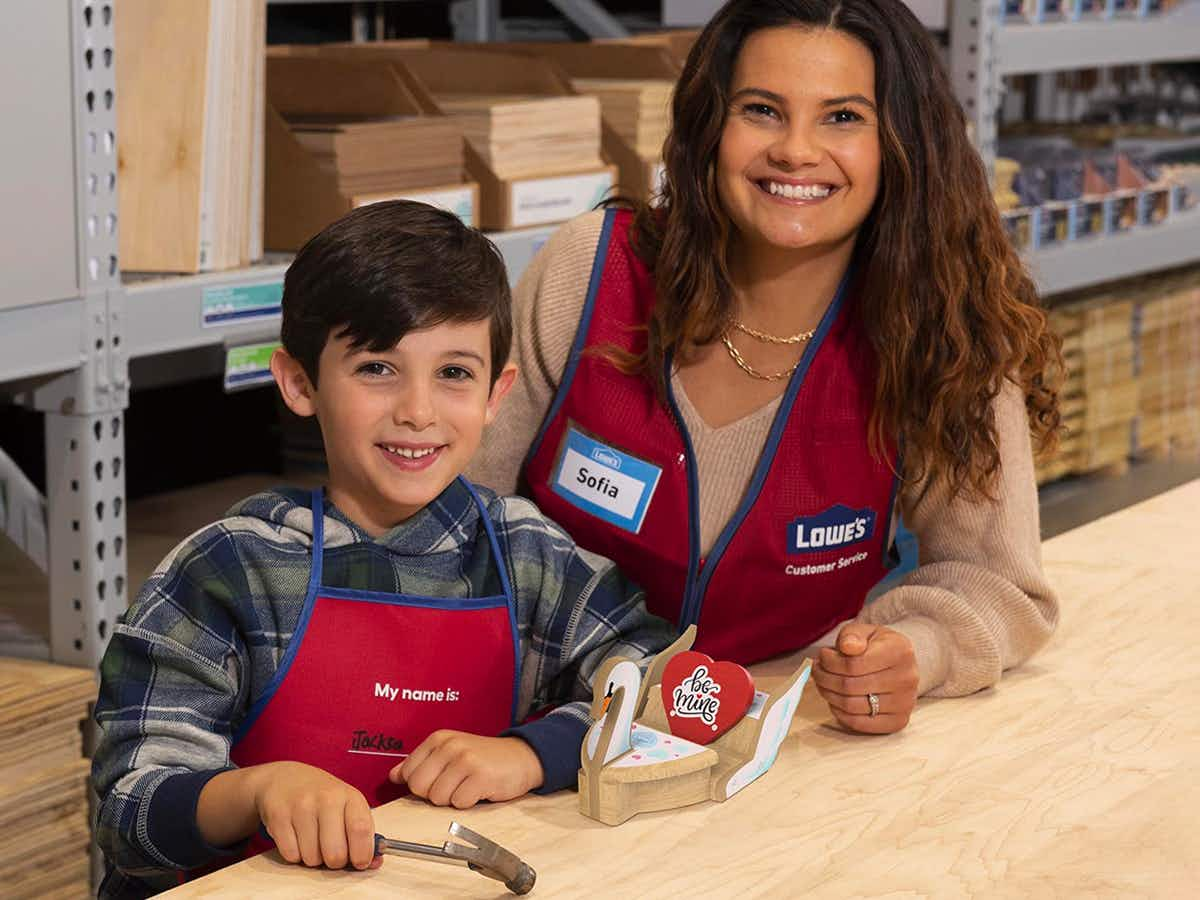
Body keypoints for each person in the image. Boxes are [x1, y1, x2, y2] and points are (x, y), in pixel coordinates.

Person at [468, 0, 1062, 738]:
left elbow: (997, 581)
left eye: (842, 117)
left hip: (774, 742)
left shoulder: (940, 328)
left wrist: (916, 650)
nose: (796, 150)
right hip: (520, 735)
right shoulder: (591, 271)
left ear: (901, 144)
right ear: (711, 125)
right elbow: (457, 513)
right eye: (762, 110)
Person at [91, 201, 675, 898]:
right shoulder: (229, 569)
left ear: (498, 392)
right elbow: (129, 805)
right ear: (300, 383)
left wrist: (530, 753)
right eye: (377, 369)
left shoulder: (528, 558)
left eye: (454, 373)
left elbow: (657, 680)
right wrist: (257, 792)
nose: (418, 411)